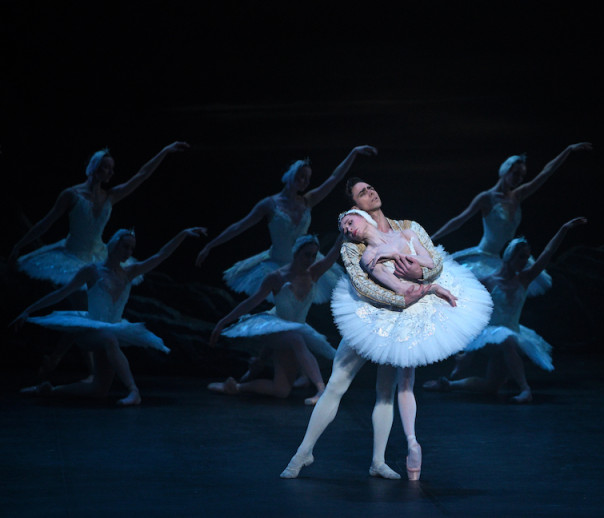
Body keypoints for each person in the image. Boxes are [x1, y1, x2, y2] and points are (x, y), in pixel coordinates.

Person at [280, 178, 459, 481]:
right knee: (338, 382)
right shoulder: (353, 244)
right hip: (369, 315)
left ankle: (378, 461)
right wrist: (401, 300)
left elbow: (435, 262)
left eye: (371, 187)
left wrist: (421, 273)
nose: (371, 192)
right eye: (362, 193)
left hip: (402, 317)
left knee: (386, 390)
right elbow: (363, 286)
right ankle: (303, 452)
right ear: (355, 206)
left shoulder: (406, 226)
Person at [11, 227, 207, 406]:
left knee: (99, 390)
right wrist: (28, 310)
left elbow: (160, 255)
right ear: (114, 244)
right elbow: (60, 293)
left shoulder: (130, 272)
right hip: (90, 331)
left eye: (131, 248)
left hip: (112, 330)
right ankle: (134, 391)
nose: (129, 252)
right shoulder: (92, 271)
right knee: (109, 338)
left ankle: (48, 391)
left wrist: (181, 234)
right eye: (125, 247)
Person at [425, 218, 587, 402]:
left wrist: (564, 228)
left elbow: (548, 253)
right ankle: (525, 390)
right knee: (506, 338)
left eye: (527, 257)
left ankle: (448, 385)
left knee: (491, 386)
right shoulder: (488, 281)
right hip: (489, 335)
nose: (525, 261)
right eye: (521, 257)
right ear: (509, 256)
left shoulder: (524, 279)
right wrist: (468, 350)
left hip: (512, 333)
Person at [195, 146, 377, 302]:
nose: (304, 182)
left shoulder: (307, 200)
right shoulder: (269, 204)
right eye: (301, 176)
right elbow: (239, 226)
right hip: (277, 263)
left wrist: (353, 153)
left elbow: (334, 177)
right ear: (290, 174)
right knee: (279, 304)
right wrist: (210, 245)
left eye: (307, 178)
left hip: (304, 262)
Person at [11, 142, 190, 284]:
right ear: (94, 168)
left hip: (99, 254)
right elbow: (45, 223)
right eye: (106, 167)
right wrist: (20, 245)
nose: (110, 172)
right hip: (73, 254)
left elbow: (141, 175)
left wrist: (164, 151)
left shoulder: (110, 195)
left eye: (112, 169)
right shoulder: (71, 195)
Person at [431, 143, 592, 297]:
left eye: (522, 175)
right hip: (486, 256)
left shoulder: (518, 195)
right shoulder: (487, 198)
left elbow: (545, 173)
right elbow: (459, 220)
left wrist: (568, 151)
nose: (519, 179)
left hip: (509, 257)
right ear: (505, 171)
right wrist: (433, 237)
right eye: (516, 174)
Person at [207, 234, 343, 405]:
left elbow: (334, 252)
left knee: (281, 391)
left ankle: (237, 387)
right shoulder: (276, 277)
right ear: (296, 253)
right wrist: (222, 323)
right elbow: (250, 303)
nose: (310, 259)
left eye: (313, 255)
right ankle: (322, 390)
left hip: (295, 330)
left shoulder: (314, 273)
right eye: (306, 254)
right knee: (297, 339)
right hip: (274, 329)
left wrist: (344, 233)